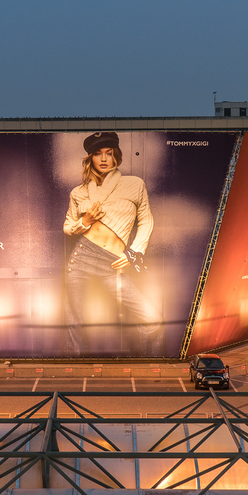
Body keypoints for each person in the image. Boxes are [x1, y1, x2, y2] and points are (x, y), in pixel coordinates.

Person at [62, 130, 160, 355]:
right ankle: (75, 369)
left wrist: (133, 252)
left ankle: (150, 363)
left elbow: (146, 221)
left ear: (117, 155)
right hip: (82, 258)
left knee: (152, 318)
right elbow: (67, 228)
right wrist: (85, 221)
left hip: (113, 262)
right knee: (75, 323)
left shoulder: (134, 184)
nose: (104, 159)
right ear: (90, 159)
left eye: (109, 153)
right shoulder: (79, 192)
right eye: (98, 154)